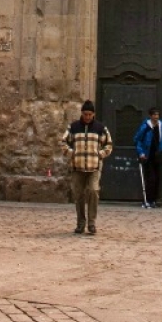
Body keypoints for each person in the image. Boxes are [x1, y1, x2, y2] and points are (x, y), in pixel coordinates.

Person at [61, 100, 113, 235]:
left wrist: (100, 154)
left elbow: (109, 144)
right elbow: (63, 142)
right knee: (78, 196)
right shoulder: (73, 127)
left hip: (94, 167)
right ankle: (80, 223)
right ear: (82, 113)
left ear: (93, 114)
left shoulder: (100, 128)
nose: (87, 117)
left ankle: (91, 223)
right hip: (77, 168)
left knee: (93, 191)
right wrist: (72, 153)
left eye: (90, 114)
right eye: (85, 114)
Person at [134, 107, 162, 208]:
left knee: (157, 178)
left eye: (157, 115)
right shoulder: (145, 126)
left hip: (157, 154)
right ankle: (148, 199)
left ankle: (153, 200)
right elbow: (138, 139)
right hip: (147, 155)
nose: (156, 117)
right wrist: (141, 152)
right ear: (150, 116)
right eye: (154, 115)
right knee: (150, 178)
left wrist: (161, 148)